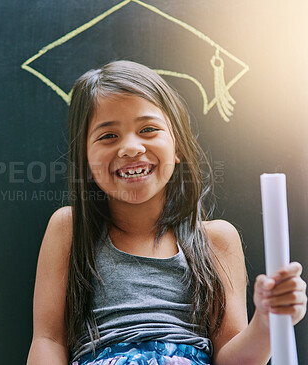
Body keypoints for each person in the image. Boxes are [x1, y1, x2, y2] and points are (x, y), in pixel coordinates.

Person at [26, 60, 307, 365]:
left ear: (177, 147)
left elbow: (230, 358)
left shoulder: (215, 240)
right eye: (108, 136)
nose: (130, 148)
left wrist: (267, 322)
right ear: (85, 156)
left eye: (148, 129)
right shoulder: (70, 228)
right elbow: (48, 340)